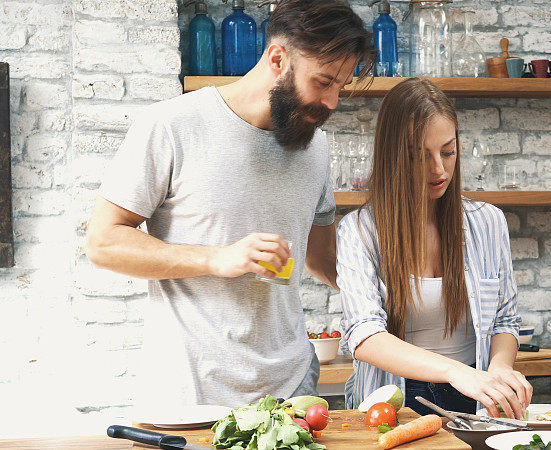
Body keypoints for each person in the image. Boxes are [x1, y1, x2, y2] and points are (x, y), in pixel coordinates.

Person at [85, 0, 375, 408]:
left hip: (292, 393)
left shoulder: (316, 147)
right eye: (324, 82)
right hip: (192, 395)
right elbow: (103, 242)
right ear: (278, 58)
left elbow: (323, 259)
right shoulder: (171, 125)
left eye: (340, 87)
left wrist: (392, 295)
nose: (332, 102)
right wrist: (215, 258)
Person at [337, 78, 532, 419]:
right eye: (419, 156)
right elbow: (365, 336)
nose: (439, 169)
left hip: (476, 396)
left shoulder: (488, 222)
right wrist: (454, 371)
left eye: (448, 151)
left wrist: (499, 367)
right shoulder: (359, 230)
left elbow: (505, 320)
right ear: (393, 157)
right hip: (393, 401)